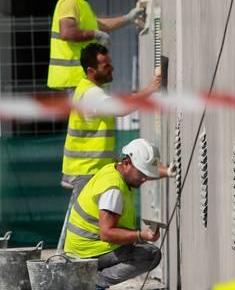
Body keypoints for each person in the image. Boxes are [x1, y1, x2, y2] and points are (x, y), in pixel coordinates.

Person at [58, 43, 165, 248]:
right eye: (106, 66)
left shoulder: (87, 89)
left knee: (86, 226)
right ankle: (71, 271)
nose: (112, 69)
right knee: (85, 230)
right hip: (87, 170)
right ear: (91, 70)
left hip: (88, 168)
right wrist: (151, 88)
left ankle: (79, 271)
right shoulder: (91, 94)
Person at [63, 138, 167, 290]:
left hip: (84, 247)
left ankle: (88, 281)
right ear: (127, 163)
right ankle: (91, 287)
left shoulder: (113, 170)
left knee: (141, 248)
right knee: (150, 254)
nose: (144, 179)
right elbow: (107, 234)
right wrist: (141, 236)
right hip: (88, 251)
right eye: (141, 173)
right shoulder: (113, 189)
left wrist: (169, 171)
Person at [46, 0, 147, 89]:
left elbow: (100, 25)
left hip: (80, 78)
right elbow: (67, 33)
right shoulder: (69, 2)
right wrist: (95, 34)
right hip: (75, 78)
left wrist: (128, 18)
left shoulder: (78, 2)